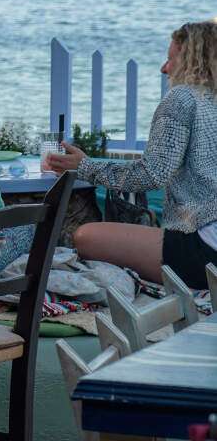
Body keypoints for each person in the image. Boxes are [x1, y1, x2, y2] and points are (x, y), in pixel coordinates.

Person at [49, 21, 217, 289]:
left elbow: (153, 173)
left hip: (205, 251)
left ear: (193, 62)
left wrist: (84, 166)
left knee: (85, 236)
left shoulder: (182, 99)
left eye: (171, 59)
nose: (164, 68)